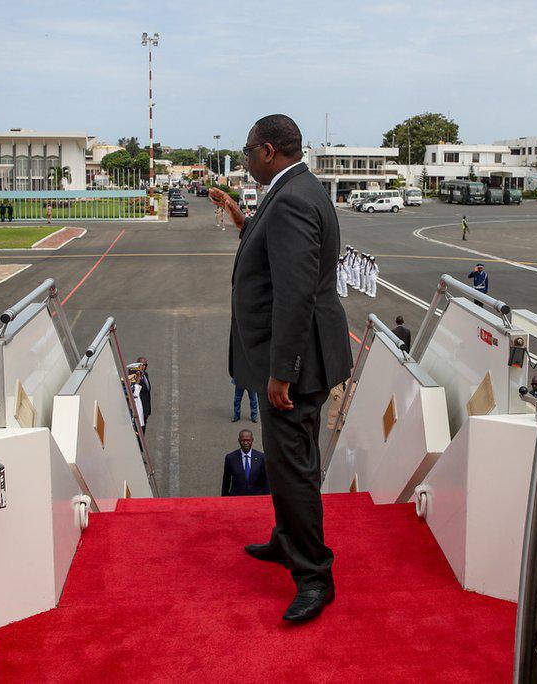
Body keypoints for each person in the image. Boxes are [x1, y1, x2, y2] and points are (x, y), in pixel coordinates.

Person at [212, 114, 351, 622]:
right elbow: (270, 251)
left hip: (298, 361)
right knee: (292, 460)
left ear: (268, 150)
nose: (245, 159)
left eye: (248, 151)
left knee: (292, 468)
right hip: (304, 354)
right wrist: (236, 216)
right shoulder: (294, 187)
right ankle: (286, 539)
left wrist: (282, 372)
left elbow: (294, 295)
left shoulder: (290, 198)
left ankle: (314, 575)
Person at [222, 430, 269, 496]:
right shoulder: (230, 458)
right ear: (239, 441)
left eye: (248, 440)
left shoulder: (261, 457)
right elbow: (226, 480)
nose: (245, 443)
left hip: (256, 497)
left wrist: (267, 497)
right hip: (237, 497)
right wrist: (224, 498)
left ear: (252, 440)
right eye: (243, 440)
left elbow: (265, 480)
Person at [137, 356, 152, 425]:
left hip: (145, 410)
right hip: (140, 411)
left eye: (146, 365)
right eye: (142, 365)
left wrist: (148, 410)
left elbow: (147, 393)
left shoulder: (145, 374)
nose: (144, 367)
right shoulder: (136, 377)